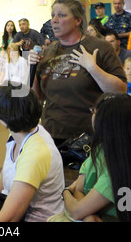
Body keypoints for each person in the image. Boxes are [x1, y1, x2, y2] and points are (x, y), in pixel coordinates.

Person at [0, 82, 64, 222]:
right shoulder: (18, 135)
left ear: (2, 118)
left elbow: (9, 218)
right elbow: (3, 178)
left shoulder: (35, 153)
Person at [30, 0, 127, 145]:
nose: (54, 20)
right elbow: (36, 96)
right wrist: (30, 67)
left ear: (78, 20)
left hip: (88, 138)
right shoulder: (49, 51)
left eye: (61, 15)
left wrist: (93, 68)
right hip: (51, 135)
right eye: (53, 15)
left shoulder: (99, 47)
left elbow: (120, 90)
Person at [49, 93, 131, 222]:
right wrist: (88, 214)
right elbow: (79, 189)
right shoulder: (100, 149)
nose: (92, 116)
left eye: (94, 111)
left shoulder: (118, 166)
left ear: (105, 122)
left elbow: (76, 211)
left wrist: (66, 193)